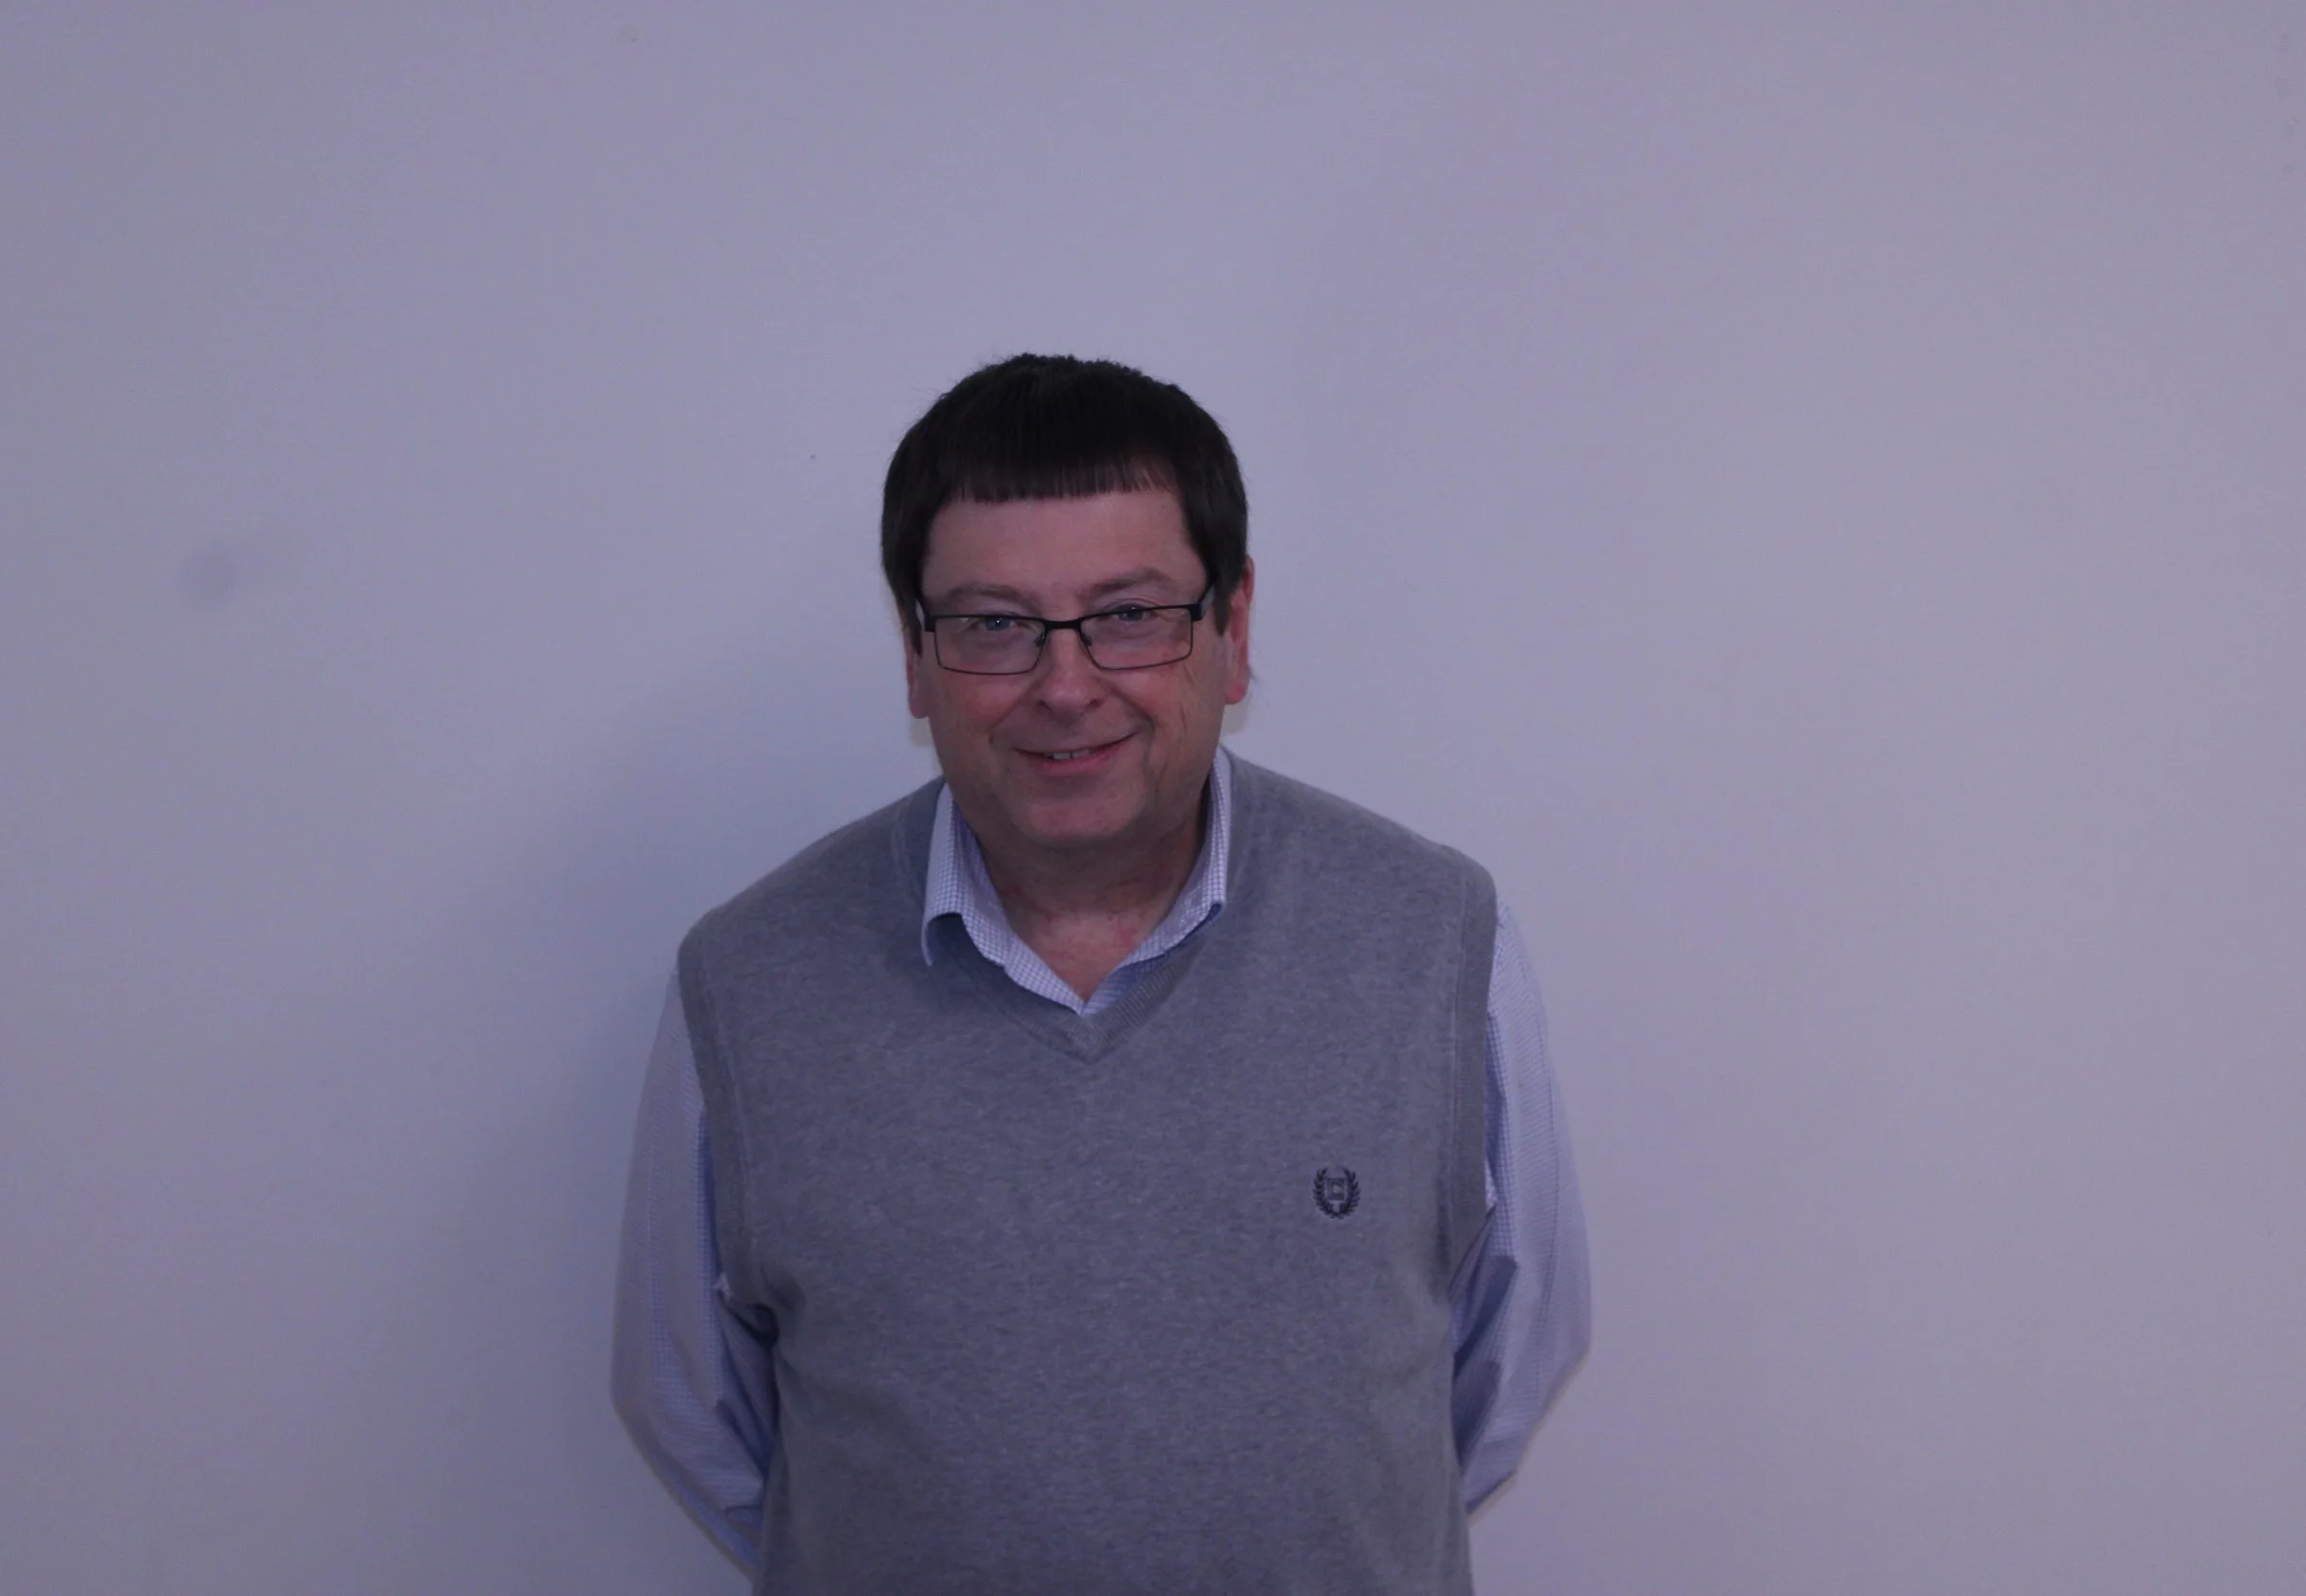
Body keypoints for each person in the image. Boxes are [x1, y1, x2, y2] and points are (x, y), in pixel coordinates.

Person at [612, 354, 1589, 1594]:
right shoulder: (748, 985)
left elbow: (1505, 1369)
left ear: (1231, 632)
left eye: (1129, 613)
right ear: (915, 658)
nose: (1064, 685)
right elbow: (692, 1409)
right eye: (991, 625)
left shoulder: (1438, 941)